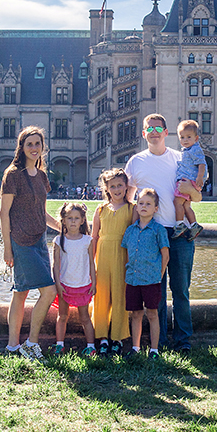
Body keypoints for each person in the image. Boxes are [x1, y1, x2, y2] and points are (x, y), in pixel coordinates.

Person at [125, 113, 194, 352]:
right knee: (157, 291)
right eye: (149, 129)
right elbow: (128, 199)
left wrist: (191, 191)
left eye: (158, 128)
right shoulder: (135, 162)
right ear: (144, 134)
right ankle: (160, 341)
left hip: (179, 231)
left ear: (166, 133)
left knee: (181, 289)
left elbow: (195, 194)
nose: (154, 132)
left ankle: (183, 341)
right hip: (152, 234)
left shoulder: (180, 159)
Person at [0, 126, 62, 361]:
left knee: (21, 292)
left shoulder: (42, 176)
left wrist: (62, 227)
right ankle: (31, 344)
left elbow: (41, 212)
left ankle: (12, 346)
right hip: (20, 241)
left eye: (38, 144)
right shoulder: (13, 174)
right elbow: (3, 213)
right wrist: (7, 248)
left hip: (38, 240)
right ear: (22, 147)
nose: (34, 148)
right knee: (49, 291)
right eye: (30, 144)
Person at [120, 188, 169, 359]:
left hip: (151, 279)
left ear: (156, 208)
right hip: (133, 280)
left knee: (153, 313)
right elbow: (127, 253)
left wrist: (159, 274)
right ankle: (135, 348)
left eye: (148, 204)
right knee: (135, 314)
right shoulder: (130, 230)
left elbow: (165, 255)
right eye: (140, 203)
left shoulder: (158, 230)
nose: (144, 206)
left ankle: (154, 350)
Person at [91, 168, 134, 357]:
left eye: (120, 185)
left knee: (119, 295)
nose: (117, 189)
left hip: (122, 255)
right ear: (106, 189)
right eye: (112, 186)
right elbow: (94, 236)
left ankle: (117, 338)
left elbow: (133, 235)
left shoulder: (132, 209)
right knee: (101, 296)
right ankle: (101, 337)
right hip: (103, 255)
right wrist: (90, 263)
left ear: (126, 187)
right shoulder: (100, 210)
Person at [51, 202, 96, 356]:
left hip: (83, 285)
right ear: (63, 220)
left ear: (83, 220)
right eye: (69, 218)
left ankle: (91, 346)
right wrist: (58, 284)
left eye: (77, 218)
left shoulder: (87, 240)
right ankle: (59, 345)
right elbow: (55, 265)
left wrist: (93, 283)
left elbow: (91, 263)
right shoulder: (58, 240)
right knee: (62, 316)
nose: (73, 221)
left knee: (85, 318)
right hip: (64, 285)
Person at [173, 119, 207, 241]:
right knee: (186, 206)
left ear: (196, 138)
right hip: (191, 181)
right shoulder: (187, 150)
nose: (185, 140)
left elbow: (202, 164)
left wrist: (199, 177)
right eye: (182, 137)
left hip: (189, 181)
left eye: (188, 137)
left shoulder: (194, 149)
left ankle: (179, 224)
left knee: (177, 202)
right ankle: (194, 225)